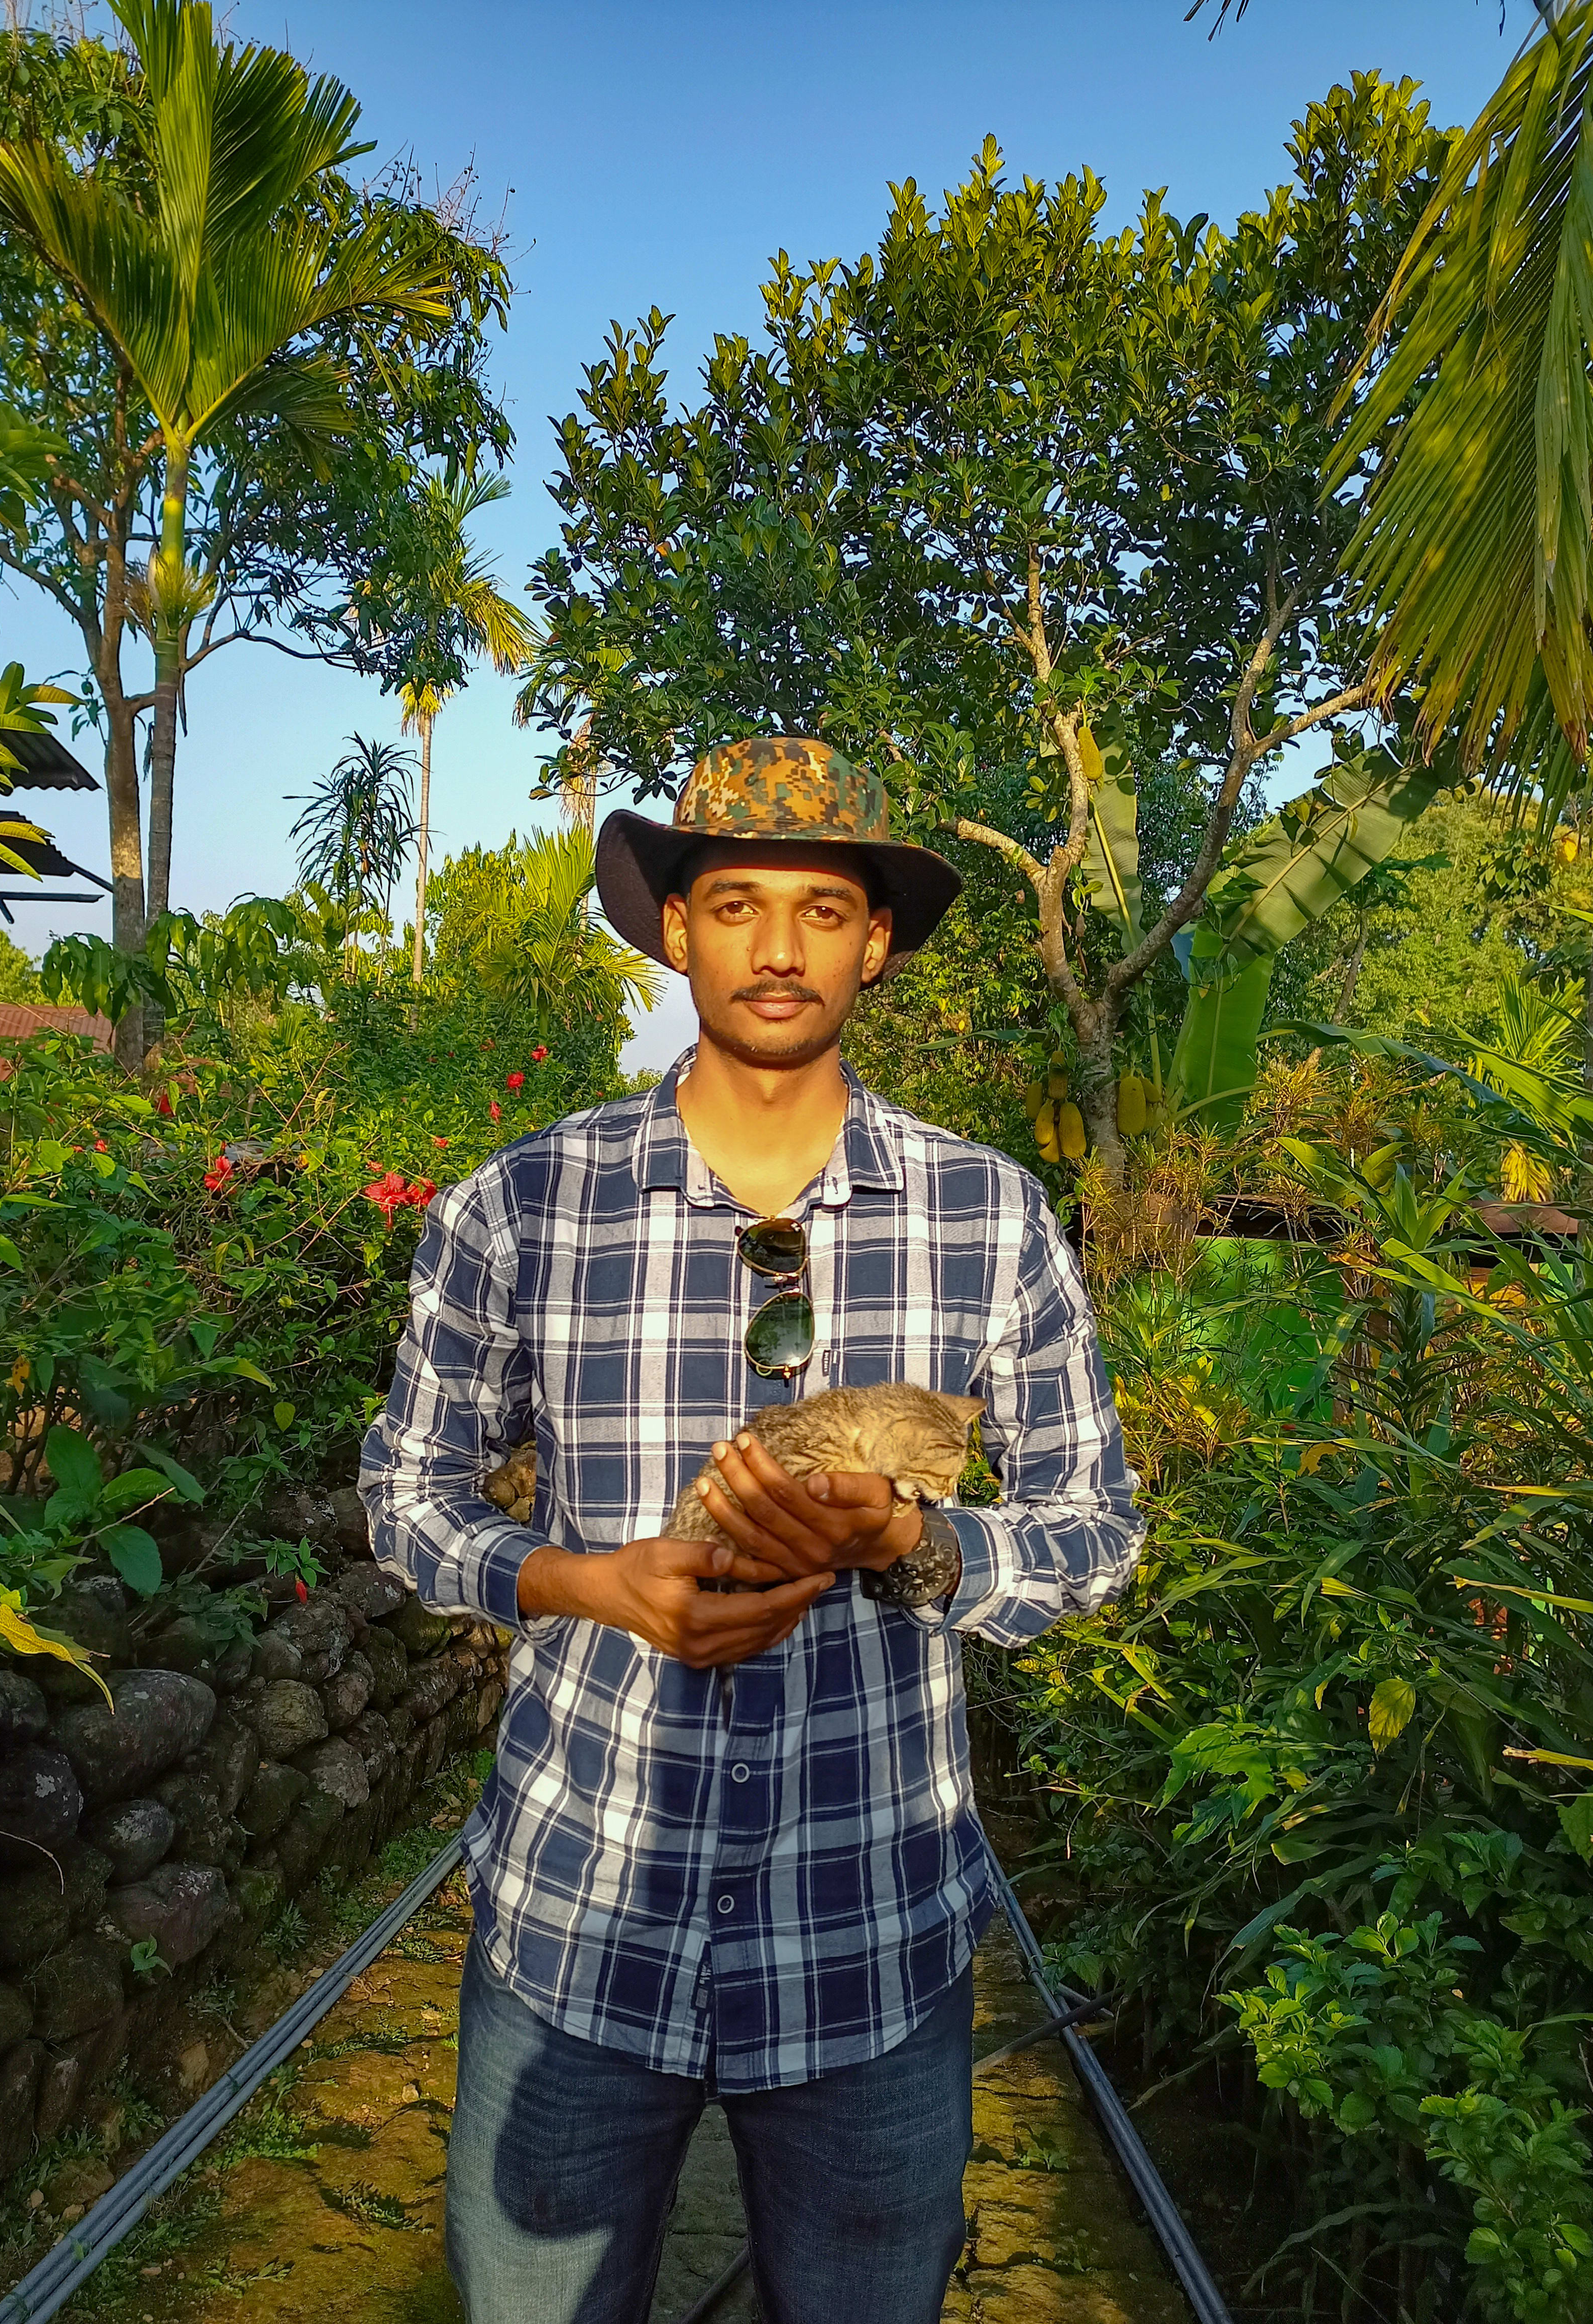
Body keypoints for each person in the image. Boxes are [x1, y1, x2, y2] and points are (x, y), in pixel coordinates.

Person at [359, 735, 1143, 2324]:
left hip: (867, 1939)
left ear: (878, 943)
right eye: (734, 904)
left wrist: (908, 1549)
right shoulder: (523, 1206)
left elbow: (1096, 1528)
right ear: (675, 930)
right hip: (579, 1928)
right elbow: (407, 1497)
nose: (777, 947)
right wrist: (589, 1583)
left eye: (819, 908)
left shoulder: (992, 1220)